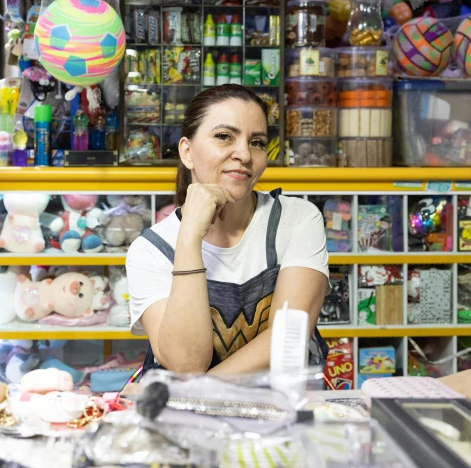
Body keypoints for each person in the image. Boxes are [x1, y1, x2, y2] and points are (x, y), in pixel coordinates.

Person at [126, 85, 329, 375]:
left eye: (257, 142)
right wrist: (189, 239)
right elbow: (185, 364)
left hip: (281, 406)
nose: (245, 154)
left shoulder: (297, 219)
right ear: (187, 151)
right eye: (224, 137)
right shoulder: (151, 250)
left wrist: (198, 392)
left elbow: (289, 337)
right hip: (190, 419)